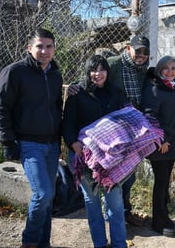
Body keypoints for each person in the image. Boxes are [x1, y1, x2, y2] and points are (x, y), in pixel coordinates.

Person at [67, 35, 150, 226]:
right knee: (106, 186)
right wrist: (76, 87)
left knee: (128, 176)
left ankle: (122, 214)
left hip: (128, 128)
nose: (142, 55)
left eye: (145, 52)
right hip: (106, 130)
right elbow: (92, 74)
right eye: (138, 51)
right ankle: (113, 215)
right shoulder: (113, 63)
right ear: (129, 48)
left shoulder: (143, 70)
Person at [0, 28, 63, 248]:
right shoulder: (15, 72)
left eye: (49, 46)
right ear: (30, 48)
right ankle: (30, 242)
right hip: (29, 143)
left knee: (49, 196)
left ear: (54, 48)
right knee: (42, 194)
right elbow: (1, 108)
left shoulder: (55, 74)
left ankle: (44, 243)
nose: (44, 51)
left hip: (52, 144)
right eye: (39, 46)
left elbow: (56, 107)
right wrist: (7, 141)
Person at [62, 55, 127, 248]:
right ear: (87, 72)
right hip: (84, 158)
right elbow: (68, 123)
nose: (97, 74)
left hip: (110, 159)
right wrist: (73, 144)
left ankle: (119, 244)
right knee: (92, 203)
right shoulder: (77, 93)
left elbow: (125, 119)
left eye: (101, 70)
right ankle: (99, 243)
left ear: (108, 72)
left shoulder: (116, 92)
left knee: (115, 202)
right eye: (93, 70)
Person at [142, 56, 175, 237]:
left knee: (164, 181)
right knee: (161, 183)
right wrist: (160, 140)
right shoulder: (154, 89)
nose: (170, 71)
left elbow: (170, 111)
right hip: (161, 145)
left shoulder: (170, 88)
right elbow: (149, 116)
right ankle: (158, 222)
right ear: (160, 70)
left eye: (173, 68)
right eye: (166, 68)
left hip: (171, 144)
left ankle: (163, 215)